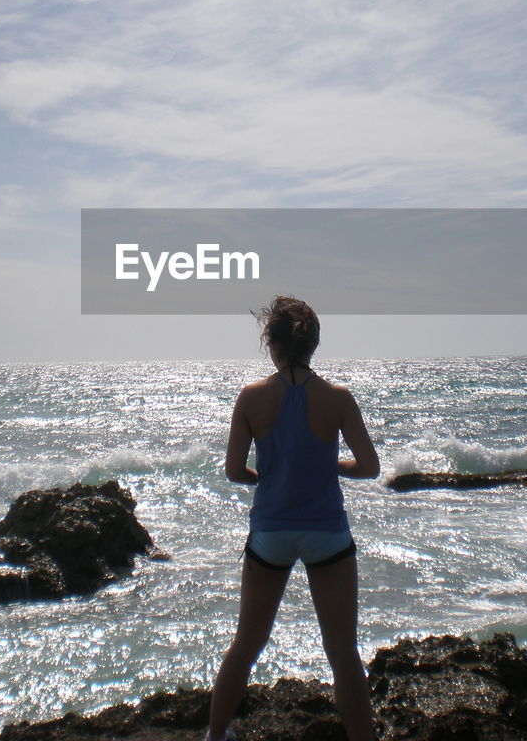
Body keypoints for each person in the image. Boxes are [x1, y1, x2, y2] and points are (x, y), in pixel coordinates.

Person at [206, 296, 381, 741]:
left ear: (272, 345)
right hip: (326, 532)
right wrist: (328, 465)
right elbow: (368, 467)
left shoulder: (251, 397)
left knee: (246, 644)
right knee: (342, 651)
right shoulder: (337, 399)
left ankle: (215, 736)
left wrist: (268, 473)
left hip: (271, 532)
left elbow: (233, 471)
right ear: (313, 343)